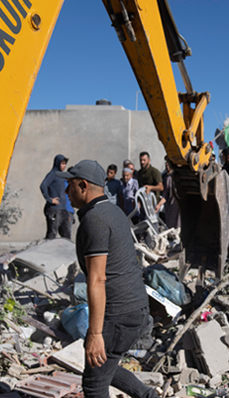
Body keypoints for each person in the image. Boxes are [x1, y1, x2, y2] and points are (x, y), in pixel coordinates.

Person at [56, 160, 156, 398]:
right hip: (135, 307)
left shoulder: (95, 220)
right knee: (103, 366)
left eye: (69, 186)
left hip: (118, 313)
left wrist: (95, 333)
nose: (66, 192)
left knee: (94, 385)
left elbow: (98, 279)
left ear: (83, 185)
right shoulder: (112, 211)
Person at [40, 154, 72, 239]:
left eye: (65, 164)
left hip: (63, 210)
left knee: (66, 235)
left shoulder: (61, 175)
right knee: (52, 234)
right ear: (57, 163)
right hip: (53, 210)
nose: (64, 166)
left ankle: (65, 252)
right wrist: (50, 200)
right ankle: (47, 251)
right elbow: (43, 186)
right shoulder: (53, 174)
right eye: (62, 163)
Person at [155, 161, 180, 229]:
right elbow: (165, 195)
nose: (167, 166)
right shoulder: (168, 179)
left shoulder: (181, 177)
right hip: (170, 208)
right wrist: (159, 205)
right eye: (166, 164)